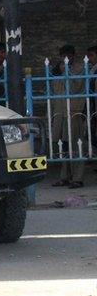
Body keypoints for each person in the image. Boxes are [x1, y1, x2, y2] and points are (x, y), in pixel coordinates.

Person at [50, 45, 86, 189]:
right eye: (63, 56)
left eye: (68, 56)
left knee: (76, 144)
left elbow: (77, 86)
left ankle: (78, 178)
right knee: (62, 144)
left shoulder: (79, 68)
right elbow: (54, 88)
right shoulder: (57, 69)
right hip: (60, 112)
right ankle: (64, 177)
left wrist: (67, 72)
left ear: (73, 56)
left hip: (74, 111)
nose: (66, 59)